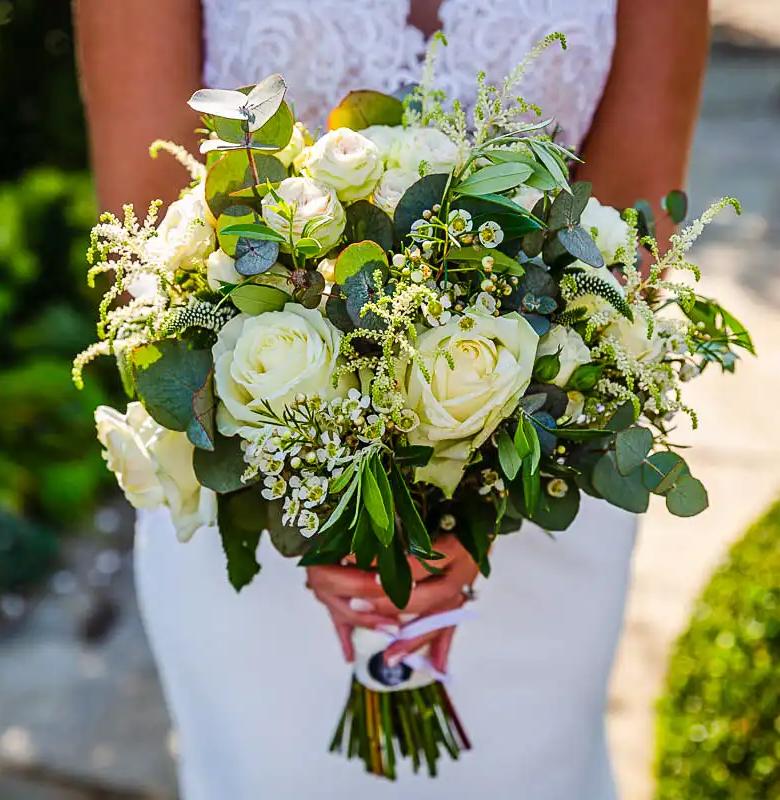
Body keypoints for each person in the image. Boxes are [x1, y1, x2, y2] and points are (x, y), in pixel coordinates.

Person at [73, 1, 708, 797]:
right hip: (258, 487)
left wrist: (474, 499)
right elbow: (145, 222)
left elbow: (630, 228)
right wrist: (344, 511)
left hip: (541, 477)